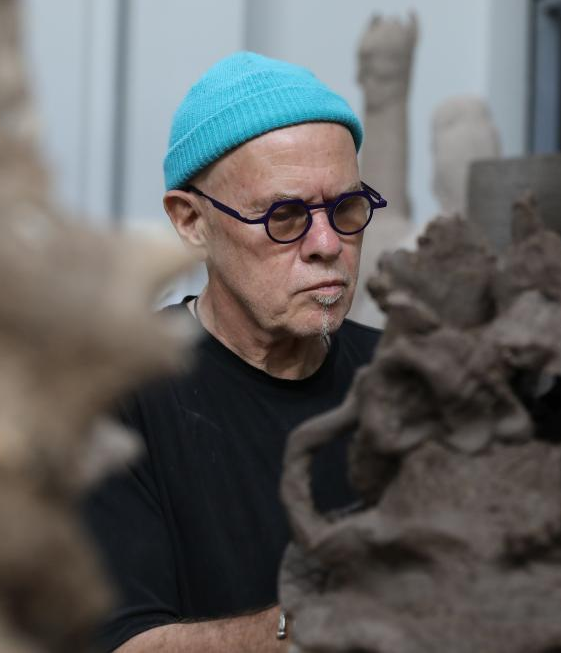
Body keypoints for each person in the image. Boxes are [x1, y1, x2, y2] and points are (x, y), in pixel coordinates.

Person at [83, 51, 385, 652]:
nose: (328, 244)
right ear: (191, 222)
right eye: (285, 216)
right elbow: (121, 644)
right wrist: (320, 621)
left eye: (346, 209)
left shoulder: (405, 373)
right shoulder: (116, 395)